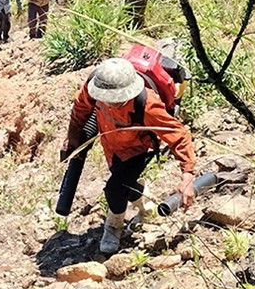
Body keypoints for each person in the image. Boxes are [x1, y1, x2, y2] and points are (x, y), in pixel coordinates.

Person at [63, 57, 196, 254]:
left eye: (117, 100)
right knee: (127, 184)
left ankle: (114, 225)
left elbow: (178, 134)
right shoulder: (93, 87)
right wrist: (73, 136)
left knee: (114, 189)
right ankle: (145, 208)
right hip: (112, 145)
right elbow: (81, 108)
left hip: (138, 148)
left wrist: (187, 174)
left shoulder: (147, 103)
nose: (111, 104)